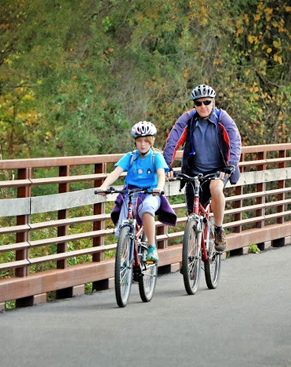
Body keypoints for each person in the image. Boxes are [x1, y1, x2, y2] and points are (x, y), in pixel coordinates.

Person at [163, 84, 242, 252]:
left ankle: (219, 229)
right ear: (194, 105)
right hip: (194, 171)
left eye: (207, 102)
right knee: (193, 214)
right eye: (198, 103)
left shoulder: (223, 118)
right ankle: (192, 256)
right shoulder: (187, 119)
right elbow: (172, 141)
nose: (203, 106)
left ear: (213, 102)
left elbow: (235, 141)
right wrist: (166, 166)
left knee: (215, 187)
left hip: (219, 170)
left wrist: (230, 165)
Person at [97, 121, 177, 262]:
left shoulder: (155, 157)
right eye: (139, 141)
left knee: (146, 209)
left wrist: (159, 187)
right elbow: (116, 172)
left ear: (151, 141)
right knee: (123, 226)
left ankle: (151, 248)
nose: (143, 144)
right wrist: (104, 186)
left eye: (146, 141)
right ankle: (125, 259)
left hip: (151, 193)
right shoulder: (131, 156)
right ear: (135, 142)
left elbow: (160, 174)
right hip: (131, 192)